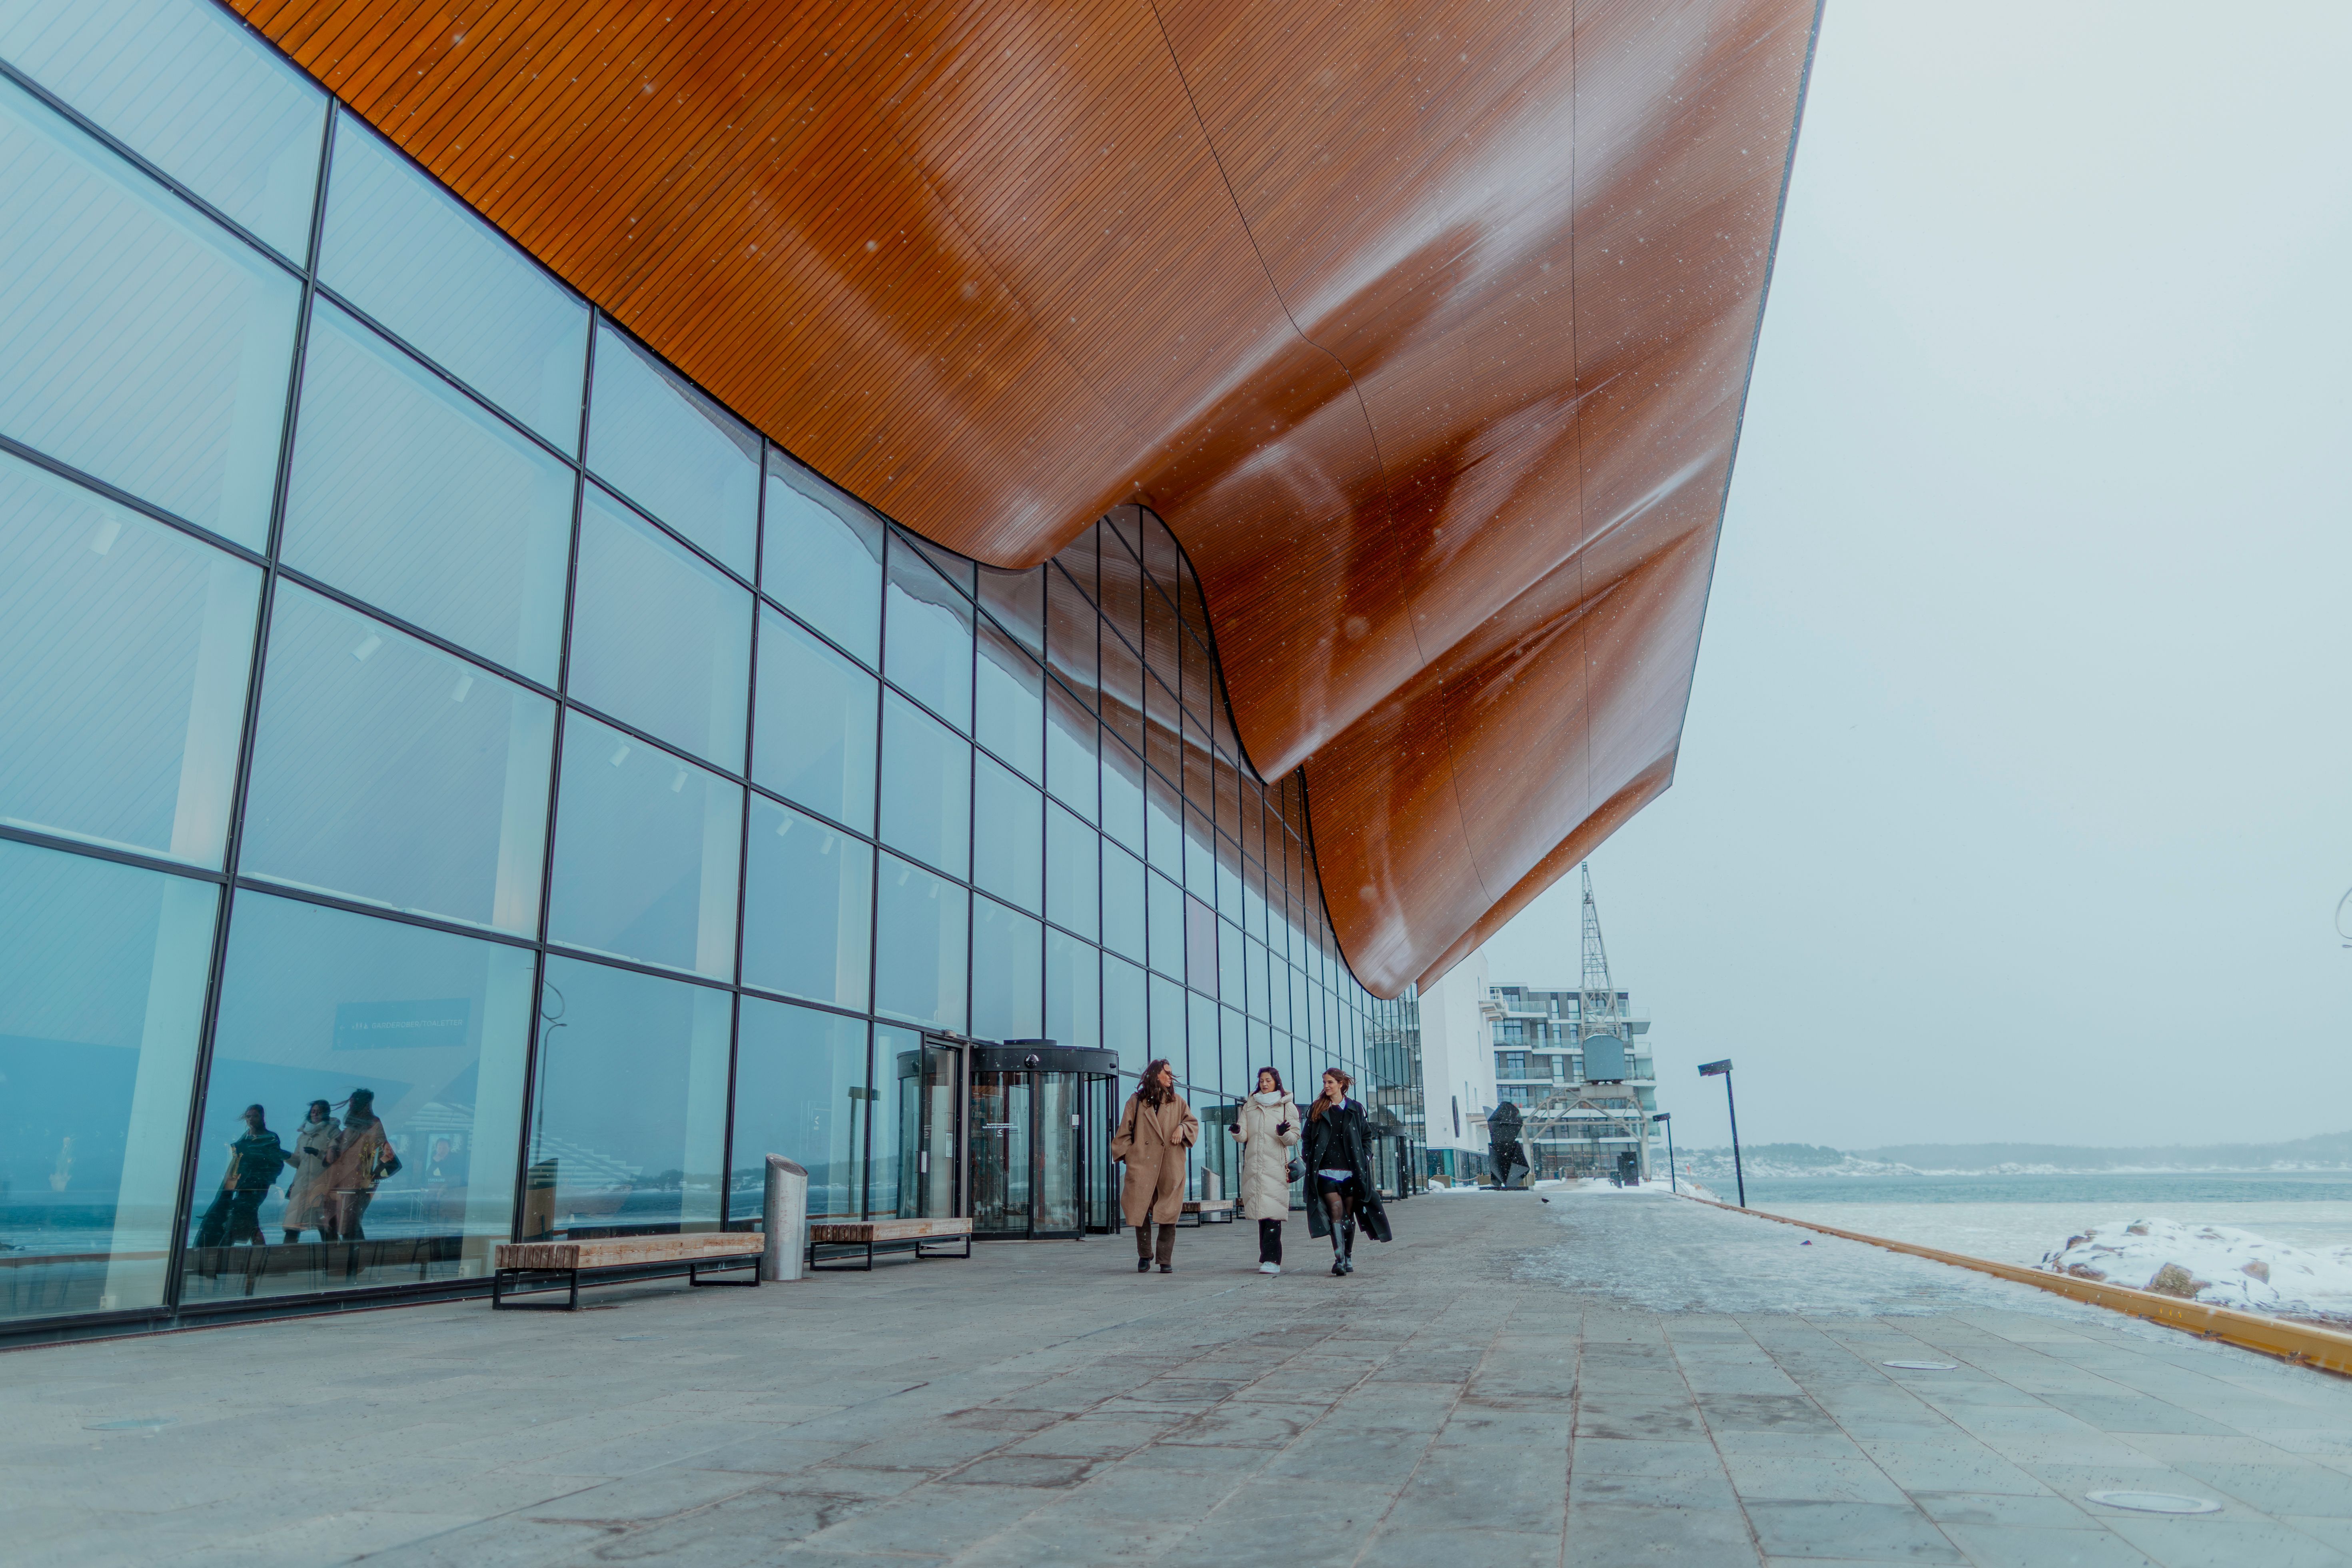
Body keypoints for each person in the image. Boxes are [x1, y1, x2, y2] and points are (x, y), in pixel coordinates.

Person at [1110, 1059, 1198, 1274]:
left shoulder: (1177, 1102)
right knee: (1139, 1210)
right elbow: (1123, 1133)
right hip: (1143, 1163)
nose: (1170, 1077)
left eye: (1171, 1073)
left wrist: (1182, 1128)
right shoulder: (1137, 1102)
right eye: (1166, 1073)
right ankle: (1145, 1254)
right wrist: (1131, 1156)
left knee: (1169, 1212)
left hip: (1170, 1163)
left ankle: (1165, 1259)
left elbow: (1193, 1124)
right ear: (1154, 1075)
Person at [1303, 1068, 1391, 1276]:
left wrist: (1366, 1157)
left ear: (1341, 1084)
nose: (1326, 1086)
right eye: (1325, 1082)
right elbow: (1306, 1138)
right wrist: (1309, 1158)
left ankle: (1348, 1255)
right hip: (1325, 1172)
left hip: (1352, 1172)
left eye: (1330, 1082)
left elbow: (1366, 1137)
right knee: (1336, 1211)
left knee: (1348, 1215)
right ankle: (1340, 1259)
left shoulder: (1355, 1108)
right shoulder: (1317, 1109)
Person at [1230, 1066, 1300, 1274]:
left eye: (1268, 1080)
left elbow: (1294, 1137)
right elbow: (1244, 1134)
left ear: (1276, 1081)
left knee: (1273, 1213)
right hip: (1256, 1166)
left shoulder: (1287, 1105)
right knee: (1262, 1213)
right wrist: (1237, 1131)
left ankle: (1273, 1260)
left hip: (1276, 1166)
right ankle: (1267, 1257)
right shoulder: (1250, 1105)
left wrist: (1282, 1134)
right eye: (1261, 1080)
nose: (1264, 1084)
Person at [194, 1105, 288, 1248]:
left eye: (254, 1116)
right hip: (240, 1186)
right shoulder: (246, 1136)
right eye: (248, 1116)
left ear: (262, 1117)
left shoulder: (270, 1137)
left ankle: (225, 1254)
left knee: (240, 1218)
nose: (251, 1119)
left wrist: (262, 1179)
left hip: (256, 1187)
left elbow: (276, 1163)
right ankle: (261, 1254)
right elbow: (237, 1162)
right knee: (248, 1221)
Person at [324, 1089, 400, 1242]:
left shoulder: (373, 1124)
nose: (350, 1105)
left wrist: (372, 1178)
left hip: (358, 1184)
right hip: (341, 1181)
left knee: (350, 1225)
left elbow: (385, 1154)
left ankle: (355, 1263)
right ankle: (342, 1262)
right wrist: (332, 1149)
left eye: (353, 1102)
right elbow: (338, 1141)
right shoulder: (353, 1126)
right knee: (334, 1222)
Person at [281, 1100, 341, 1244]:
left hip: (322, 1187)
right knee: (292, 1227)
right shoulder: (303, 1135)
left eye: (319, 1112)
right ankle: (284, 1260)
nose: (315, 1114)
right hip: (301, 1187)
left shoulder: (333, 1133)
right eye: (313, 1111)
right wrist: (285, 1156)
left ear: (326, 1114)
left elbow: (336, 1159)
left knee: (326, 1228)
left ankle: (334, 1260)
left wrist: (318, 1153)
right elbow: (298, 1162)